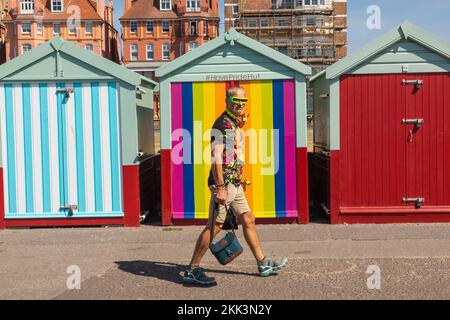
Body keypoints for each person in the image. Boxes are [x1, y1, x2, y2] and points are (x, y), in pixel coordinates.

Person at [183, 86, 288, 286]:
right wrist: (221, 187)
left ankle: (262, 263)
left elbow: (232, 156)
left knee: (248, 218)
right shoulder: (222, 125)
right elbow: (216, 159)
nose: (239, 105)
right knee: (214, 227)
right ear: (227, 101)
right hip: (224, 184)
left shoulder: (234, 124)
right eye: (235, 101)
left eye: (243, 102)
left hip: (235, 183)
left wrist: (239, 179)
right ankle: (192, 270)